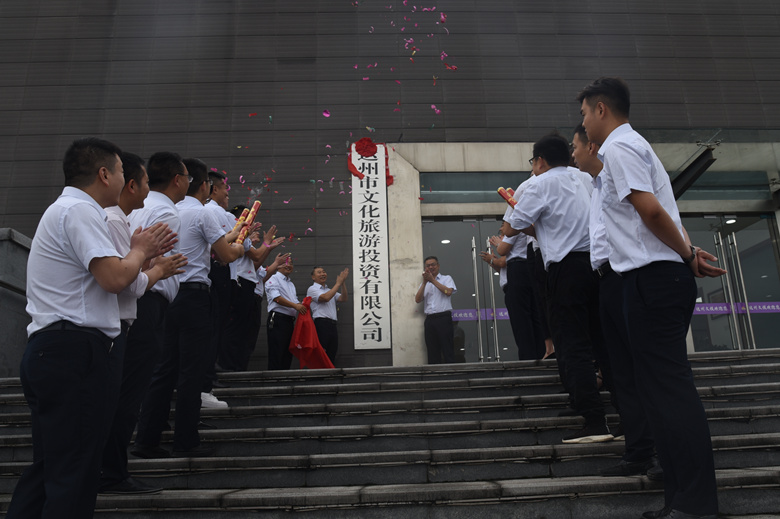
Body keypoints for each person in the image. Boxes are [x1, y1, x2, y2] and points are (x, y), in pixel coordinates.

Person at [578, 76, 723, 519]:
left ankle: (695, 504)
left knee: (669, 393)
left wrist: (686, 255)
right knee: (658, 395)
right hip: (647, 279)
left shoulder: (620, 148)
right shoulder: (628, 147)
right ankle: (679, 500)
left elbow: (653, 211)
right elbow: (655, 214)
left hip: (652, 281)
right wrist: (686, 251)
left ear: (601, 109)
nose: (583, 123)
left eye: (584, 113)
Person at [7, 138, 174, 518]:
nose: (125, 179)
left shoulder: (65, 209)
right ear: (104, 174)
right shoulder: (80, 210)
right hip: (74, 350)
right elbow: (115, 278)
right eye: (120, 171)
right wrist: (140, 250)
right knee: (75, 470)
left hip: (54, 349)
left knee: (51, 467)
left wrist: (139, 256)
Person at [133, 158, 245, 458]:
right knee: (192, 370)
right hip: (194, 298)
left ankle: (147, 438)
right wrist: (240, 246)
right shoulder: (202, 212)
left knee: (164, 369)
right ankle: (186, 439)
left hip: (166, 294)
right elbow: (225, 255)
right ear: (204, 186)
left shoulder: (169, 209)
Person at [504, 133, 611, 444]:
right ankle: (626, 418)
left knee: (572, 344)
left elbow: (511, 227)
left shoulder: (538, 184)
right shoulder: (587, 178)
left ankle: (594, 420)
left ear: (540, 160)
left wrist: (520, 209)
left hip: (566, 270)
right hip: (598, 266)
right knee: (603, 342)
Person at [99, 152, 187, 495]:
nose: (147, 189)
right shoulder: (148, 214)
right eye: (142, 180)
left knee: (126, 390)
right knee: (128, 392)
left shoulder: (122, 217)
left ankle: (111, 468)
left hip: (134, 308)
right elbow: (125, 278)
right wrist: (157, 269)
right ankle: (111, 472)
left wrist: (146, 262)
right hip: (141, 306)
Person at [497, 177, 546, 360]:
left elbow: (503, 249)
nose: (502, 227)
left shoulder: (518, 218)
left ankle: (527, 357)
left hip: (518, 268)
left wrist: (499, 243)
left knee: (521, 317)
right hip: (532, 266)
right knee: (535, 313)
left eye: (503, 223)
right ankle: (541, 351)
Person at [414, 256, 457, 364]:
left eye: (433, 264)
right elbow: (418, 299)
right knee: (432, 350)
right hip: (430, 319)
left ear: (438, 266)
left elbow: (448, 292)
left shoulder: (446, 278)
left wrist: (433, 280)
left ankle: (452, 372)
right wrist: (425, 282)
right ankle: (434, 372)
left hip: (443, 318)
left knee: (447, 348)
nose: (430, 267)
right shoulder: (424, 283)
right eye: (428, 266)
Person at [265, 257, 305, 370]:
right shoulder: (273, 278)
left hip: (289, 321)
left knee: (287, 353)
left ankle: (285, 378)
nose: (288, 265)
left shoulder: (290, 284)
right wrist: (296, 306)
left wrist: (304, 304)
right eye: (285, 263)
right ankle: (275, 379)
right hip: (277, 319)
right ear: (277, 265)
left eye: (291, 263)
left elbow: (295, 301)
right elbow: (276, 298)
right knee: (277, 352)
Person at [307, 267, 349, 363]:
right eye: (319, 272)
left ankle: (329, 372)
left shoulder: (330, 290)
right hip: (321, 324)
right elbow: (325, 298)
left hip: (332, 325)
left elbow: (343, 298)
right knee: (321, 353)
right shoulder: (312, 289)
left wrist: (342, 283)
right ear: (313, 277)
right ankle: (319, 372)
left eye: (324, 272)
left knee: (331, 353)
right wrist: (338, 283)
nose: (322, 274)